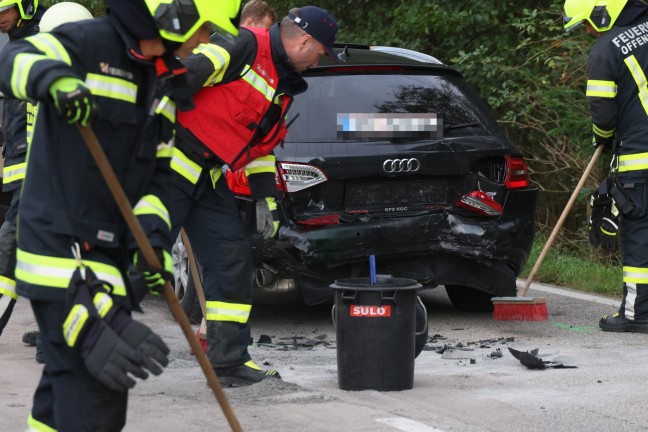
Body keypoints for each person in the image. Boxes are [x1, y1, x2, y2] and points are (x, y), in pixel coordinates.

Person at [0, 0, 241, 430]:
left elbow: (155, 184)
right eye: (204, 29)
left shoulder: (164, 83)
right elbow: (13, 59)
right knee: (95, 395)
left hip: (107, 263)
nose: (205, 41)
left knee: (69, 391)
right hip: (59, 257)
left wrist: (152, 247)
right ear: (176, 16)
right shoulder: (90, 41)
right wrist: (52, 79)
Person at [168, 5, 338, 387]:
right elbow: (181, 75)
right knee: (137, 257)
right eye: (320, 52)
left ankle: (227, 361)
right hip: (167, 164)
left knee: (231, 259)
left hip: (206, 178)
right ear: (305, 41)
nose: (318, 61)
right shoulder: (245, 45)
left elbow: (259, 148)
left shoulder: (283, 84)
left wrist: (267, 200)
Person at [563, 0, 648, 332]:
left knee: (640, 233)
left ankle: (636, 315)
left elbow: (603, 115)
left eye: (587, 22)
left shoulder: (606, 50)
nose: (587, 30)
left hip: (640, 160)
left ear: (603, 12)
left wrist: (604, 137)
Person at [0, 0, 46, 360]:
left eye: (5, 11)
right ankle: (53, 330)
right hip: (21, 165)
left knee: (12, 241)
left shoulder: (42, 40)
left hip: (39, 167)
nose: (0, 19)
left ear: (25, 7)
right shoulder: (18, 43)